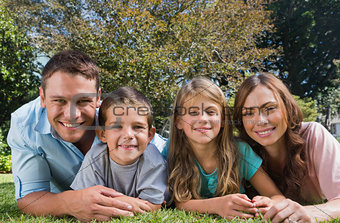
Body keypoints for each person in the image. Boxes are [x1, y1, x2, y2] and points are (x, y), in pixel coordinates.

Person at [7, 50, 164, 221]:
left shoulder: (120, 121)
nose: (71, 115)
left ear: (97, 98)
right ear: (43, 97)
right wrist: (70, 202)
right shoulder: (25, 125)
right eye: (59, 100)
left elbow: (170, 152)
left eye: (83, 101)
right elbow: (30, 198)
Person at [162, 78, 285, 220]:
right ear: (178, 122)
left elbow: (277, 196)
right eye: (193, 112)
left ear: (222, 120)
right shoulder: (171, 150)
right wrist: (217, 205)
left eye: (210, 111)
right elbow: (179, 203)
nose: (203, 118)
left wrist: (269, 203)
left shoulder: (240, 151)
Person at [233, 73, 340, 222]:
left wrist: (312, 213)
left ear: (287, 109)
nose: (260, 121)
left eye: (269, 108)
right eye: (249, 113)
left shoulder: (314, 135)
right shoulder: (241, 152)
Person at [71, 87, 167, 213]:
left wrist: (105, 200)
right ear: (102, 134)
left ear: (150, 135)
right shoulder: (95, 156)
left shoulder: (153, 160)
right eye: (117, 127)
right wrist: (130, 201)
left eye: (137, 127)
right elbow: (85, 199)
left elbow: (152, 206)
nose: (128, 135)